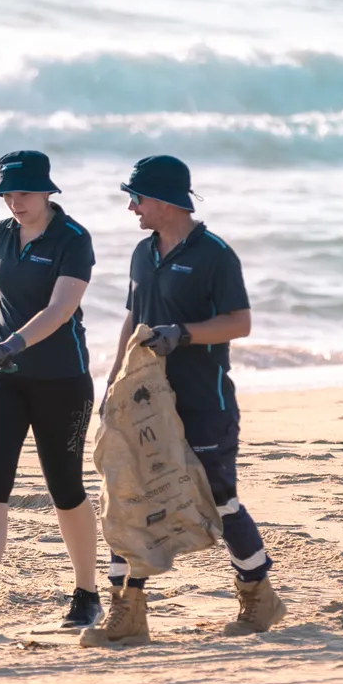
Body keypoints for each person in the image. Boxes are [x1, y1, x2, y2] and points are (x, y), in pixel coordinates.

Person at [90, 154, 283, 644]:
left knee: (218, 502)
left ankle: (259, 596)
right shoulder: (141, 252)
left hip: (204, 402)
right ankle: (128, 612)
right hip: (145, 404)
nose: (131, 208)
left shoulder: (216, 254)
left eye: (136, 198)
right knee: (127, 497)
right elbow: (132, 319)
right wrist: (113, 381)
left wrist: (184, 334)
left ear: (166, 201)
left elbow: (240, 322)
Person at [0, 150, 101, 639]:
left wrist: (12, 344)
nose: (14, 202)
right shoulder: (1, 235)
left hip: (62, 381)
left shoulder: (73, 239)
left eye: (23, 192)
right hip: (0, 378)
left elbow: (62, 308)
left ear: (47, 191)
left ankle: (87, 595)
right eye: (7, 193)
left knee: (65, 489)